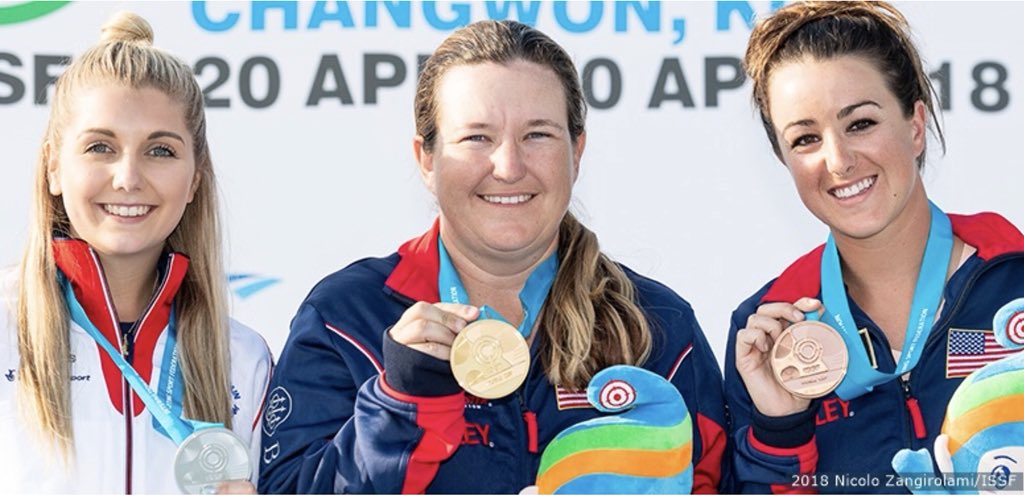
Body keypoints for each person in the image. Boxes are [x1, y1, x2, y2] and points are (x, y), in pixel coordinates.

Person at [258, 19, 728, 494]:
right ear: (427, 159)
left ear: (576, 151)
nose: (508, 167)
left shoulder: (659, 325)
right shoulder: (346, 318)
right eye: (476, 138)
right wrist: (398, 404)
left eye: (537, 135)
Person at [725, 1, 1024, 493]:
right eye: (805, 139)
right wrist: (781, 431)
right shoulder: (771, 334)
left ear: (916, 125)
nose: (838, 160)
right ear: (784, 160)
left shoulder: (1013, 285)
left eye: (860, 123)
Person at [0, 11, 272, 494]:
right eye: (100, 147)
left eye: (160, 151)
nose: (128, 178)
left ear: (195, 179)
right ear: (53, 167)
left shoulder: (242, 359)